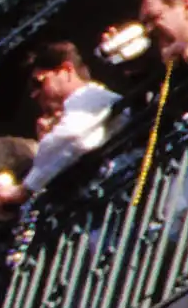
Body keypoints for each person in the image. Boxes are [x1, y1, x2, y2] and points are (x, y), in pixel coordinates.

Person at [20, 41, 123, 202]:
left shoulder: (91, 95)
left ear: (67, 71)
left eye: (39, 83)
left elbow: (72, 136)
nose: (35, 94)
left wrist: (23, 190)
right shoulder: (74, 111)